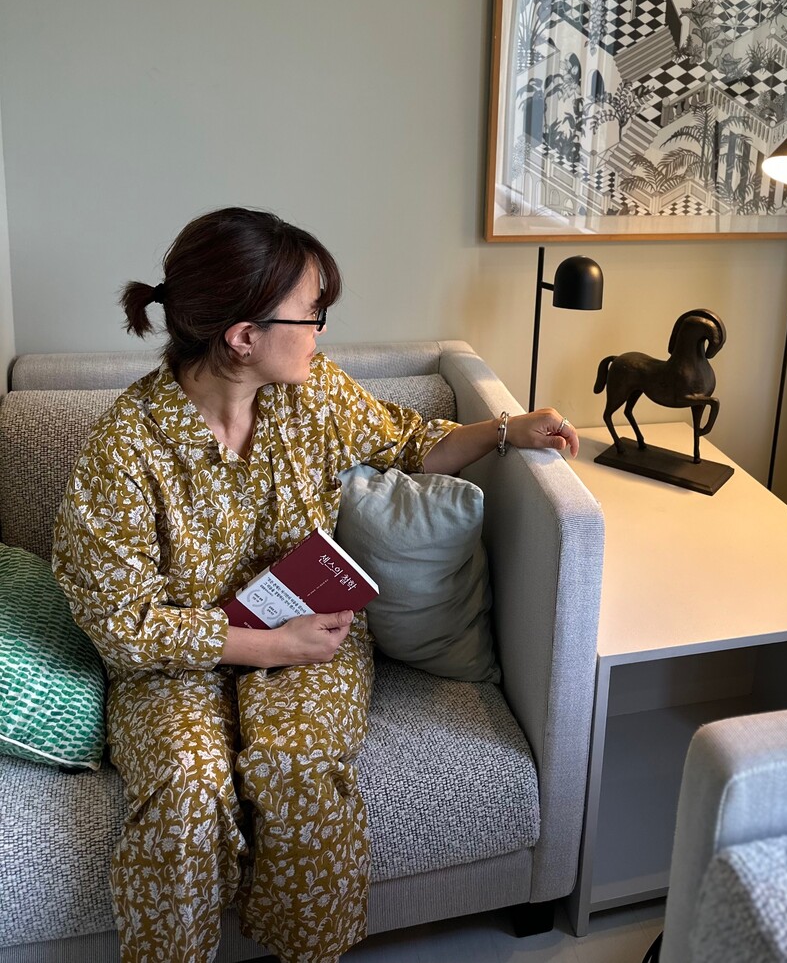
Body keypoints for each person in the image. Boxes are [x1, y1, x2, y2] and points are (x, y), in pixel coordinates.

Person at [51, 207, 579, 963]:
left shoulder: (314, 394)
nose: (322, 330)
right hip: (174, 658)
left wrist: (505, 431)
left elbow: (407, 442)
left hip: (312, 630)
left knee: (295, 767)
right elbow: (120, 622)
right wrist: (268, 644)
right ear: (243, 336)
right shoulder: (125, 447)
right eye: (311, 313)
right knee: (186, 786)